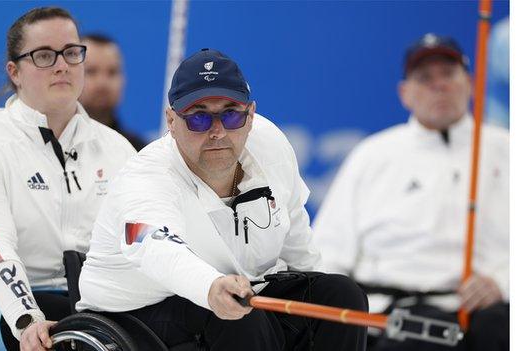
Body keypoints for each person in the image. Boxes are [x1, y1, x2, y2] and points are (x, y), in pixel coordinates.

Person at [77, 48, 368, 351]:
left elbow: (295, 237)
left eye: (231, 115)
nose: (217, 131)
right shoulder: (147, 177)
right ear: (171, 120)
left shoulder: (271, 145)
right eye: (199, 118)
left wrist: (315, 302)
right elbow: (152, 246)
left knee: (340, 296)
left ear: (251, 115)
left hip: (240, 292)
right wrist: (210, 287)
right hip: (137, 310)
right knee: (237, 315)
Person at [0, 7, 136, 351]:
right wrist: (26, 318)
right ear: (15, 72)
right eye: (44, 55)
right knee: (79, 329)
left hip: (74, 294)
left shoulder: (117, 150)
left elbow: (138, 243)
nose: (62, 64)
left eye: (72, 52)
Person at [312, 33, 509, 351]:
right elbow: (327, 252)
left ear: (470, 83)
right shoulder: (372, 154)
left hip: (491, 310)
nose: (439, 85)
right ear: (405, 93)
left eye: (448, 74)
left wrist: (504, 281)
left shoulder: (510, 150)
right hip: (396, 314)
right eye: (425, 77)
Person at [78, 33, 146, 151]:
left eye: (112, 72)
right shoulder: (52, 144)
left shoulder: (138, 152)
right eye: (91, 71)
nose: (102, 83)